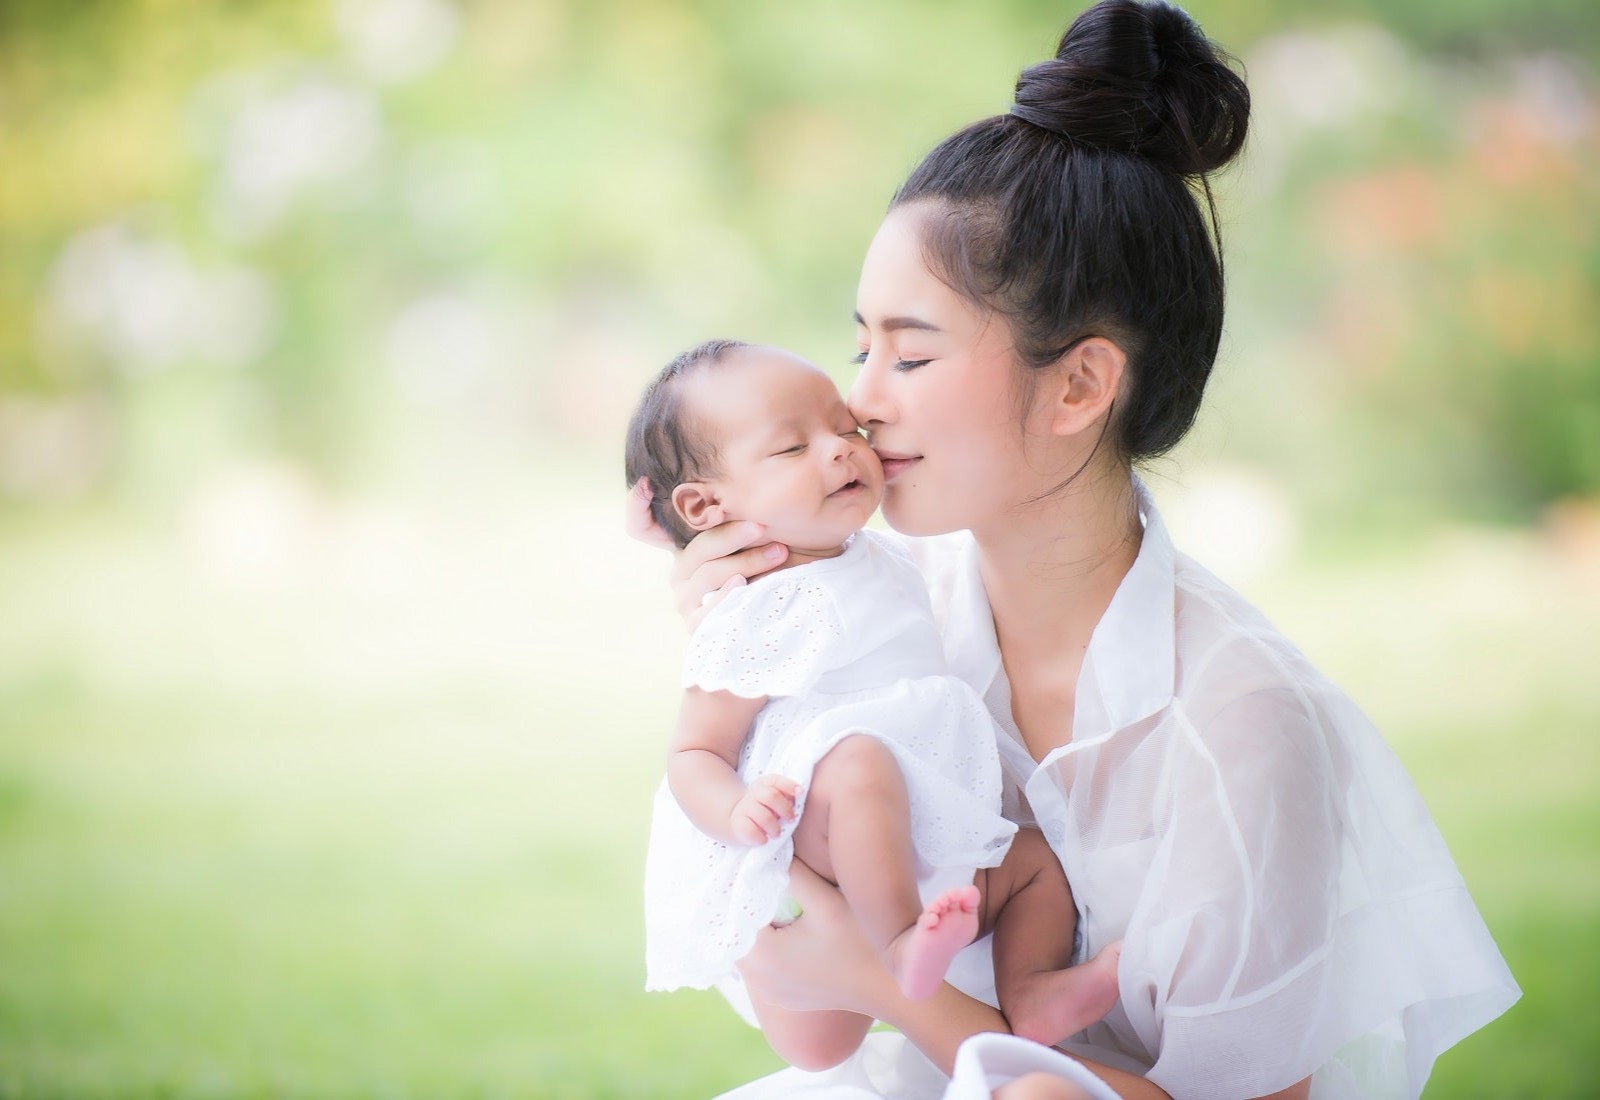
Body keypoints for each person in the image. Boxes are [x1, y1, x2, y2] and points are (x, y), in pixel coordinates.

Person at [628, 1, 1520, 1097]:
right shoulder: (894, 612)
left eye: (908, 357)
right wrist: (737, 610)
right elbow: (778, 950)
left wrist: (895, 982)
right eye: (859, 344)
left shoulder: (1237, 725)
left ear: (1081, 384)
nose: (857, 403)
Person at [626, 339, 1124, 1074]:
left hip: (926, 839)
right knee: (858, 761)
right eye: (794, 446)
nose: (840, 450)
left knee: (1034, 863)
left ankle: (1032, 990)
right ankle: (895, 946)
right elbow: (695, 750)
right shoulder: (754, 608)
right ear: (707, 505)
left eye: (846, 428)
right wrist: (737, 811)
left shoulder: (887, 556)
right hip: (818, 844)